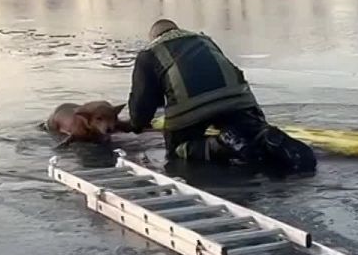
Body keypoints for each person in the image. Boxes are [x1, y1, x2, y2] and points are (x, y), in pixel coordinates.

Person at [121, 19, 316, 175]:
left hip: (190, 110)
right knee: (250, 132)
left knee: (178, 149)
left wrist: (136, 125)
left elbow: (142, 108)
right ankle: (265, 137)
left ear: (153, 37)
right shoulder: (204, 39)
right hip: (237, 98)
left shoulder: (149, 54)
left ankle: (220, 145)